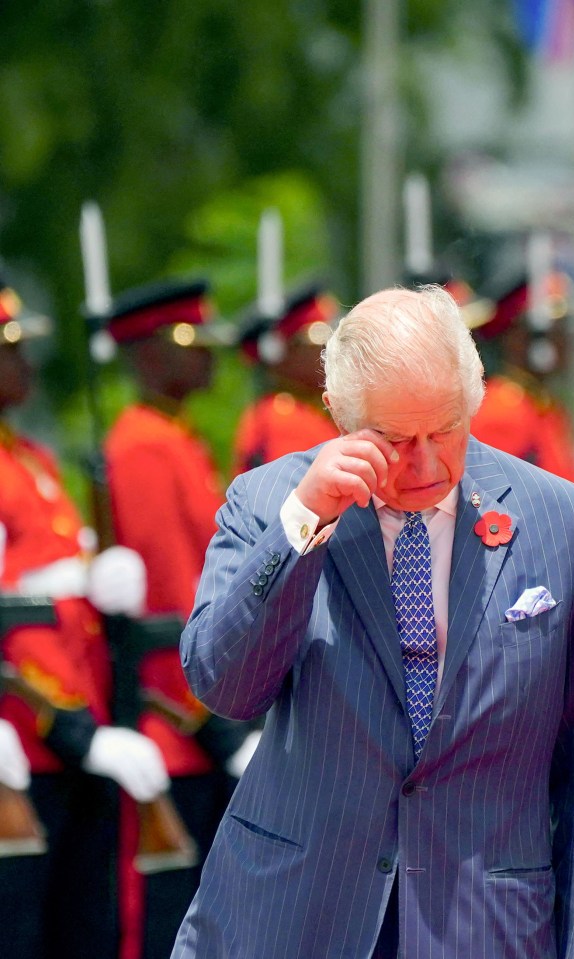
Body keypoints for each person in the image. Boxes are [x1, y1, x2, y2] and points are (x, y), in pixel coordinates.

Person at [172, 284, 574, 959]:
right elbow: (224, 685)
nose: (422, 463)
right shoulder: (271, 500)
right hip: (295, 912)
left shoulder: (559, 520)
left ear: (472, 396)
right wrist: (304, 526)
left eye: (443, 429)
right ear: (338, 414)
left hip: (482, 919)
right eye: (390, 438)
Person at [0, 277, 169, 959]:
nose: (26, 366)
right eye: (9, 351)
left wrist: (99, 576)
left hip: (75, 736)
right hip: (25, 742)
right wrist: (65, 727)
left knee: (84, 928)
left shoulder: (31, 459)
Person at [101, 278, 258, 959]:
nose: (208, 358)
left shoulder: (178, 438)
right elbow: (175, 603)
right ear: (145, 355)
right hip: (181, 728)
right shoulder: (142, 445)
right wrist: (217, 724)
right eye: (188, 343)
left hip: (208, 717)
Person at [468, 275, 574, 489]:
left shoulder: (540, 404)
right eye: (558, 328)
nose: (568, 338)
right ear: (520, 339)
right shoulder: (503, 412)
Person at [232, 284, 340, 475]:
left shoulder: (298, 412)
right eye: (317, 342)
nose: (328, 351)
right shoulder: (285, 420)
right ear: (286, 353)